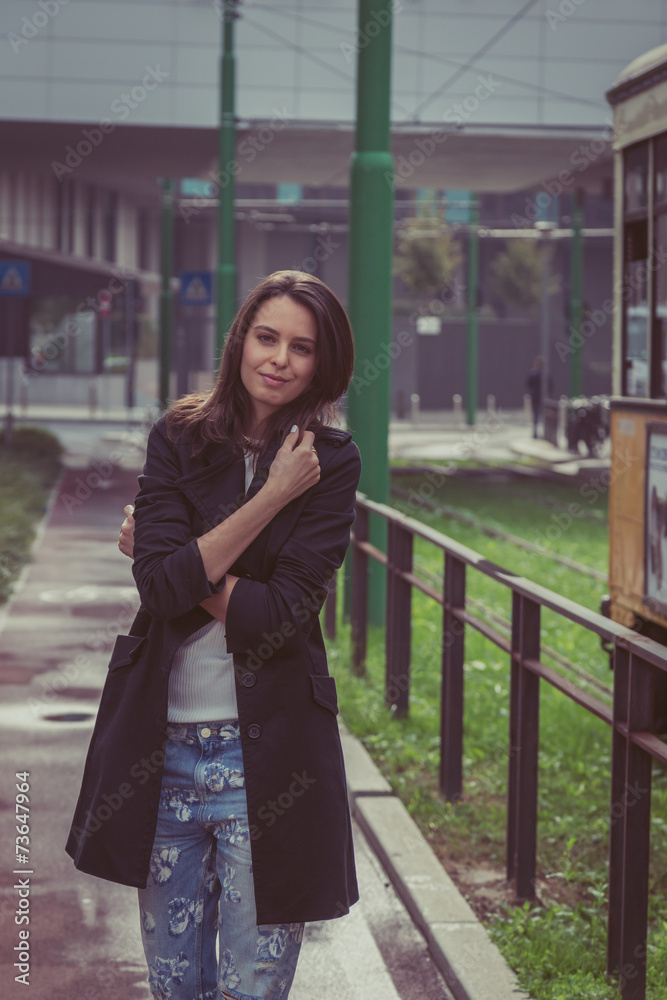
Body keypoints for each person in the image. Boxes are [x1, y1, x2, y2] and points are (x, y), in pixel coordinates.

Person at [66, 270, 362, 1000]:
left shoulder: (331, 461)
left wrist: (177, 563)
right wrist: (271, 498)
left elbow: (279, 614)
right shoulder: (178, 436)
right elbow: (158, 589)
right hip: (159, 751)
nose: (279, 359)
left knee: (251, 989)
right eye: (266, 337)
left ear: (321, 364)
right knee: (175, 986)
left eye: (301, 347)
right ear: (240, 341)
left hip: (269, 757)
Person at [526, 355, 544, 439]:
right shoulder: (533, 374)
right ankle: (535, 432)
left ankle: (544, 432)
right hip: (535, 398)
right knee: (536, 416)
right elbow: (528, 384)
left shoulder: (545, 374)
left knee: (544, 416)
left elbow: (550, 385)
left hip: (544, 398)